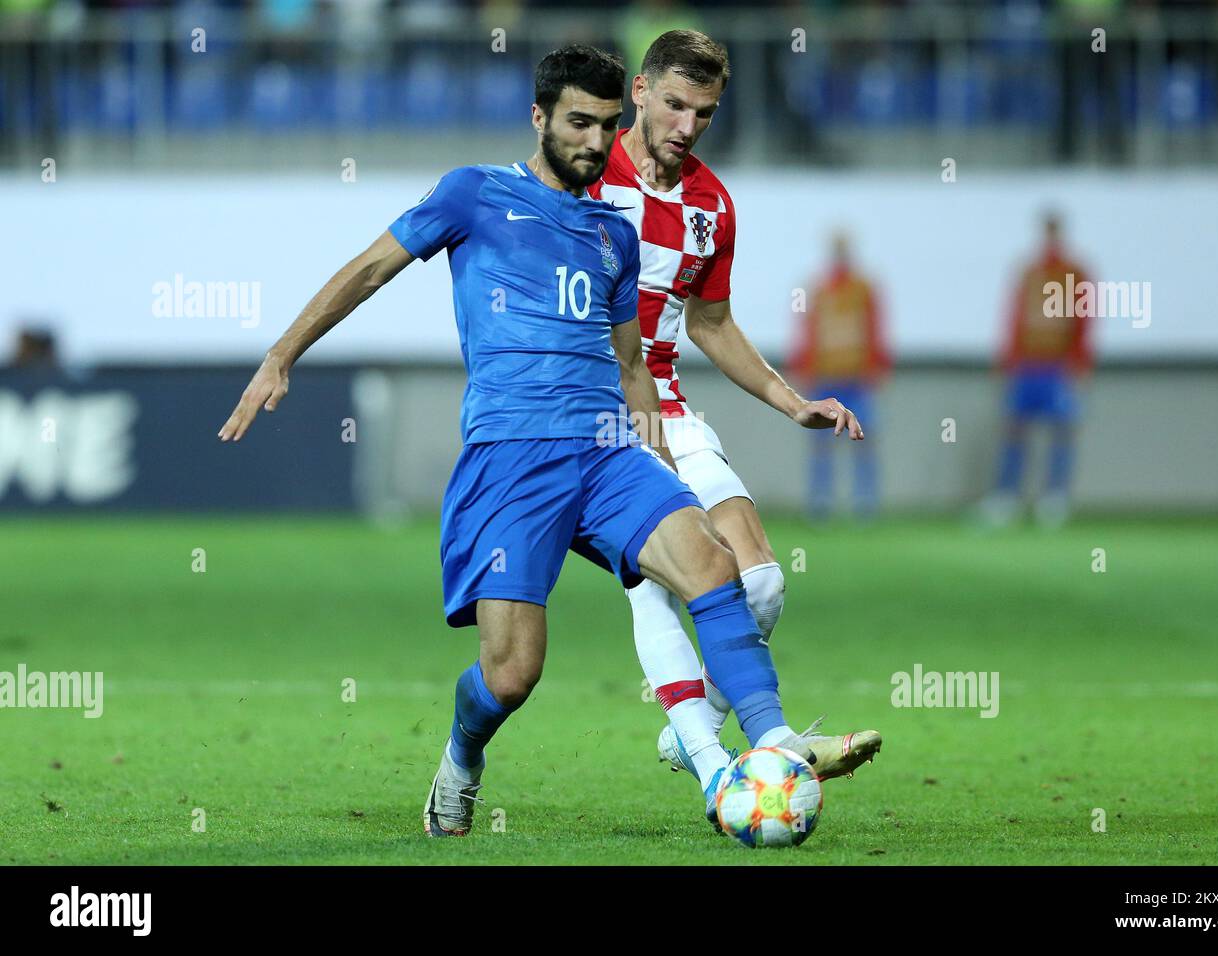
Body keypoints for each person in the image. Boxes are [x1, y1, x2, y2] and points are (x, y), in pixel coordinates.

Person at [218, 44, 874, 836]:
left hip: (606, 451)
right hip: (510, 460)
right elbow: (368, 270)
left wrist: (658, 463)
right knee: (512, 674)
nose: (595, 143)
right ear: (539, 118)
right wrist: (281, 355)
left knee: (711, 560)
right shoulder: (474, 194)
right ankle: (461, 759)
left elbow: (632, 360)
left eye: (604, 127)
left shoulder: (612, 233)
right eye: (577, 124)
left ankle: (769, 746)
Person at [590, 30, 882, 809]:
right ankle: (738, 753)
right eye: (676, 104)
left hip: (670, 408)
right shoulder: (587, 178)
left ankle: (690, 735)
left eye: (705, 113)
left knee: (761, 581)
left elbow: (711, 323)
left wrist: (796, 403)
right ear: (641, 92)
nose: (687, 125)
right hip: (589, 419)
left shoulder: (711, 204)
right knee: (659, 581)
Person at [980, 211, 1092, 528]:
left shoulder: (1075, 272)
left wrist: (1080, 362)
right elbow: (1014, 317)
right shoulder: (1029, 272)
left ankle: (1054, 499)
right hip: (1027, 364)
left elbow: (1084, 321)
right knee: (1014, 429)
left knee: (1062, 430)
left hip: (1058, 366)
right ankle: (1006, 496)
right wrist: (1009, 360)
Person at [790, 229, 891, 519]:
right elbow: (808, 331)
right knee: (821, 443)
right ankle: (821, 501)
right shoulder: (819, 290)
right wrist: (805, 368)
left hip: (858, 380)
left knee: (864, 439)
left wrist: (878, 366)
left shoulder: (864, 290)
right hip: (826, 379)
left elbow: (876, 328)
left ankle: (865, 502)